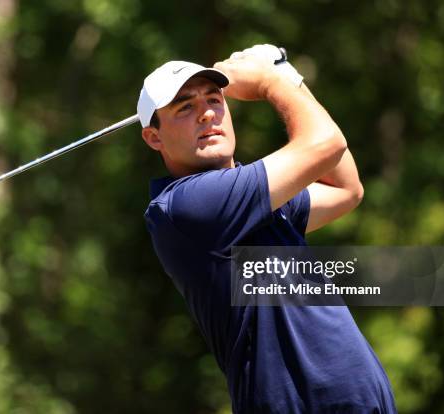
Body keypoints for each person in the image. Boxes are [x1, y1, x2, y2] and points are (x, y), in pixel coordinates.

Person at [137, 44, 396, 413]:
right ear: (154, 137)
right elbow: (326, 143)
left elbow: (346, 189)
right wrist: (271, 82)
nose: (207, 114)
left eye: (214, 99)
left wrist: (285, 73)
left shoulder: (248, 198)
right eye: (185, 107)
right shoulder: (186, 206)